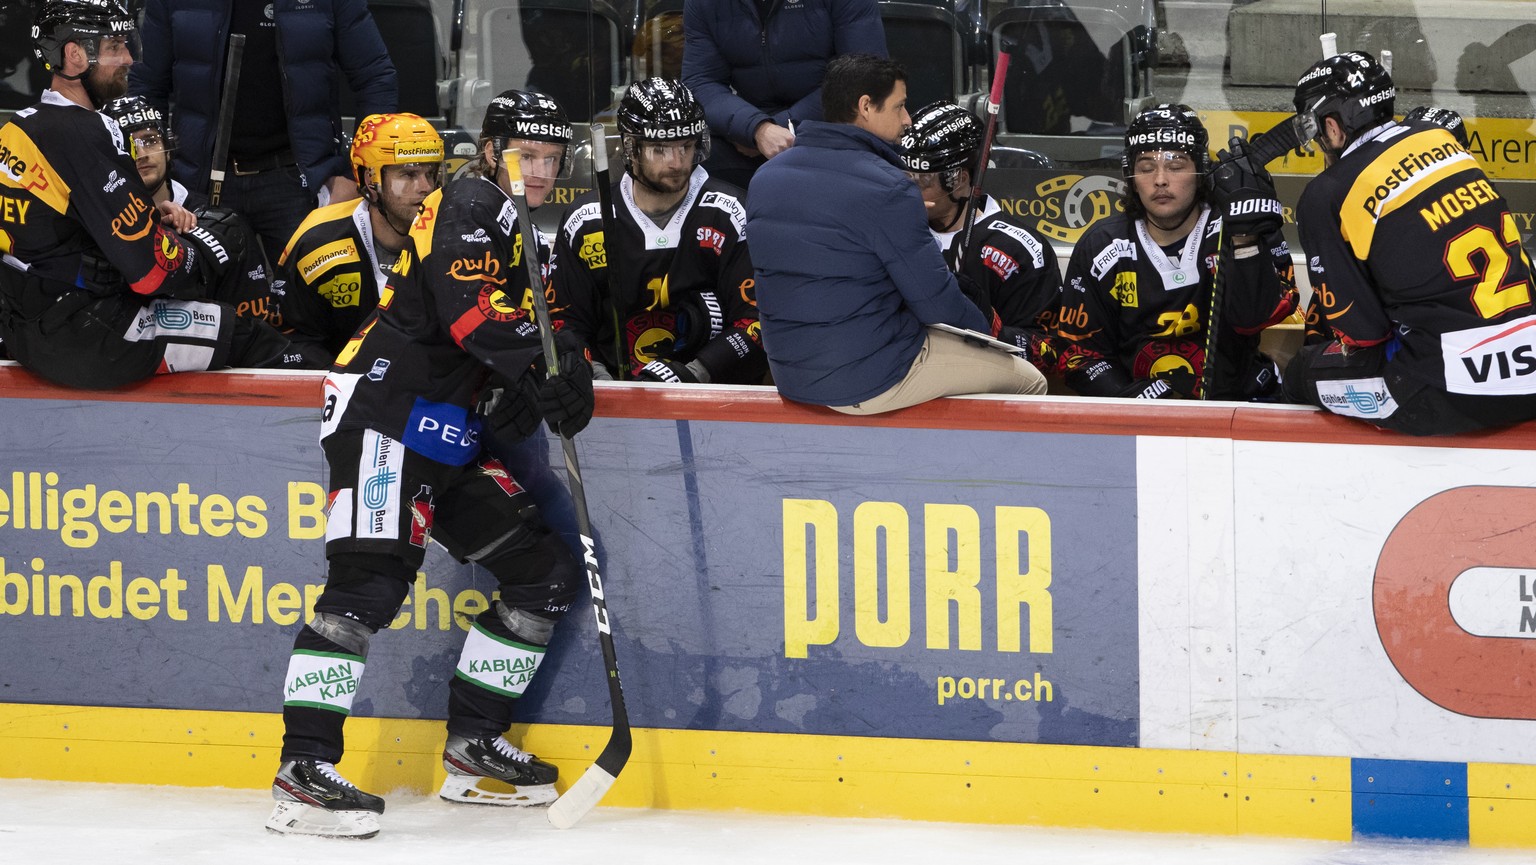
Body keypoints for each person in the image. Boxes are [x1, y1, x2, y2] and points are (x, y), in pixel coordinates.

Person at [265, 89, 596, 840]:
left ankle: (473, 745)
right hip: (384, 416)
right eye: (527, 155)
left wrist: (554, 369)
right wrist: (538, 368)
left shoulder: (518, 224)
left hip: (445, 431)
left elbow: (526, 325)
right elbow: (469, 312)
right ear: (490, 151)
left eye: (551, 157)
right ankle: (302, 769)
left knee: (542, 572)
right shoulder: (468, 203)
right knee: (366, 586)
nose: (539, 170)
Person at [0, 0, 315, 390]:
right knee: (246, 332)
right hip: (90, 337)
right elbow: (152, 273)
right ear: (75, 55)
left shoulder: (20, 126)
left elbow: (61, 226)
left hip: (27, 323)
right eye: (116, 46)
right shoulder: (82, 131)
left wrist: (147, 224)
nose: (130, 59)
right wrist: (198, 247)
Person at [746, 54, 1046, 414]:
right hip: (866, 378)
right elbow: (936, 304)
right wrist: (987, 339)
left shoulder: (764, 178)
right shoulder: (889, 190)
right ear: (866, 107)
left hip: (789, 375)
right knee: (1030, 380)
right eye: (900, 106)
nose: (907, 120)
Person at [1281, 52, 1536, 435]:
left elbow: (1364, 332)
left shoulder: (1327, 193)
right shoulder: (1444, 141)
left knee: (1302, 370)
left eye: (1314, 130)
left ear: (1332, 128)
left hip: (1451, 392)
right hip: (1531, 371)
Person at [1056, 103, 1297, 400]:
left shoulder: (1238, 225)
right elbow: (1077, 355)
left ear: (1200, 170)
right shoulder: (1101, 246)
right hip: (1141, 419)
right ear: (1129, 174)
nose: (1160, 179)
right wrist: (1129, 397)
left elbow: (1258, 317)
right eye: (1146, 167)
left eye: (1176, 165)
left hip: (1243, 402)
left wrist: (1246, 238)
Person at [130, 0, 398, 259]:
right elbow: (145, 86)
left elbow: (375, 77)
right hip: (199, 180)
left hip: (301, 182)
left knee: (313, 301)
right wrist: (156, 180)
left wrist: (358, 174)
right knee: (202, 301)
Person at [548, 78, 766, 384]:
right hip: (612, 395)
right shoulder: (587, 220)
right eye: (660, 149)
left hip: (714, 398)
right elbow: (563, 320)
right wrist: (594, 378)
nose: (676, 163)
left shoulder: (730, 213)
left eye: (686, 147)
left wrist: (696, 373)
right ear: (630, 149)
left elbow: (759, 319)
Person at [899, 101, 1063, 379]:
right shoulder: (892, 230)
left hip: (989, 390)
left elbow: (1048, 356)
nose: (907, 187)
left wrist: (989, 322)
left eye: (922, 178)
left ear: (960, 179)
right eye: (904, 174)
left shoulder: (1020, 250)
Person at [101, 94, 285, 330]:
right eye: (129, 145)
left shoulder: (223, 222)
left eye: (150, 141)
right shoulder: (95, 220)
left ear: (167, 149)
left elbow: (254, 324)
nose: (142, 153)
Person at [276, 113, 444, 361]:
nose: (426, 187)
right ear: (370, 179)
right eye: (409, 175)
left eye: (430, 174)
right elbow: (295, 340)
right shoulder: (318, 244)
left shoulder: (454, 237)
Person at [682, 0, 887, 190]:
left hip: (831, 126)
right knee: (683, 163)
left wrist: (783, 126)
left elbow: (864, 75)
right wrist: (755, 129)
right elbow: (700, 82)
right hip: (747, 131)